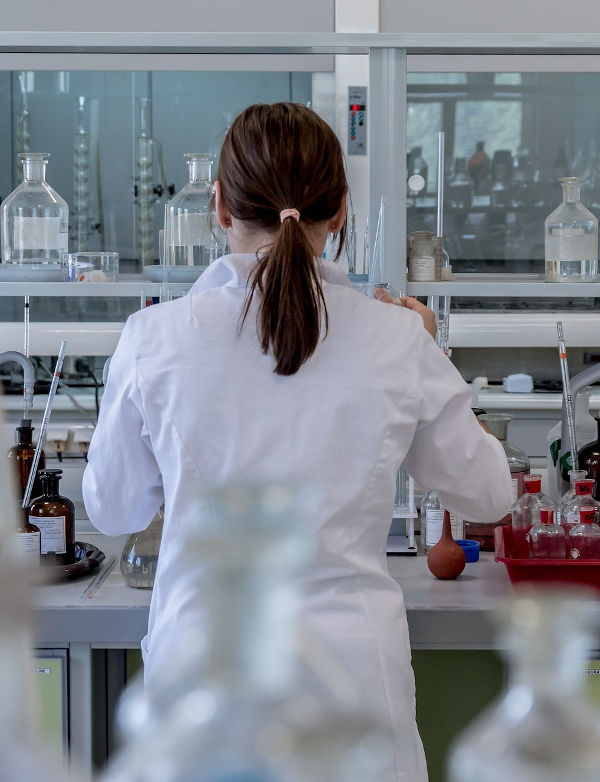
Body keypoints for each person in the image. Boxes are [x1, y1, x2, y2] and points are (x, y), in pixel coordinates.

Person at [83, 102, 512, 782]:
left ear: (220, 206)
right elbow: (489, 494)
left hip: (202, 692)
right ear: (339, 209)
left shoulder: (153, 339)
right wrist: (432, 351)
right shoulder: (397, 337)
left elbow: (114, 512)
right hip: (353, 695)